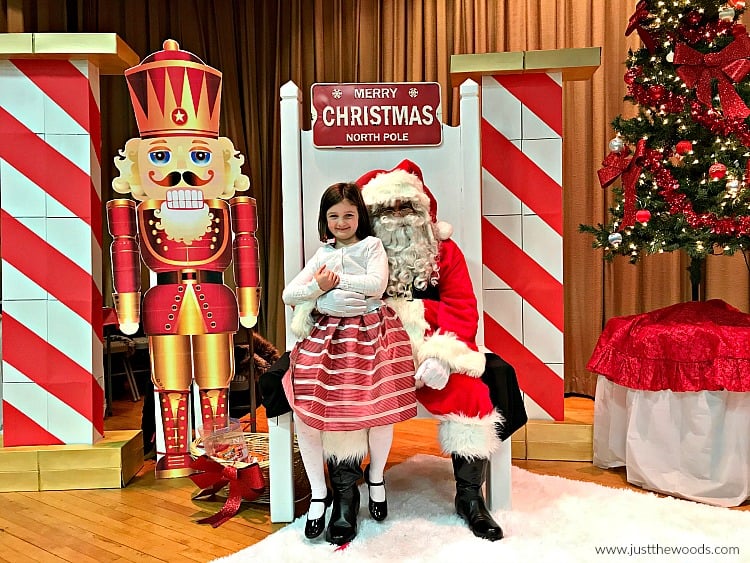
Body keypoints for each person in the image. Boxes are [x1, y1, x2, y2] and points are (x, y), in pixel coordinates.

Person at [107, 39, 261, 478]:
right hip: (163, 302)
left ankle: (219, 457)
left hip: (216, 298)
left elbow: (245, 247)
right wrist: (129, 307)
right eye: (160, 157)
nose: (181, 170)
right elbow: (127, 254)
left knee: (217, 383)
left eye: (199, 156)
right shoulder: (135, 211)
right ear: (138, 164)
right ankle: (175, 455)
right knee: (169, 386)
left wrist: (249, 300)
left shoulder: (231, 208)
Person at [354, 159, 505, 541]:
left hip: (432, 353)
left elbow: (462, 306)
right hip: (371, 350)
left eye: (406, 207)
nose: (398, 217)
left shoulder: (445, 252)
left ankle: (470, 498)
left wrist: (442, 355)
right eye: (387, 210)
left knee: (471, 395)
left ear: (423, 210)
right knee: (343, 392)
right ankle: (343, 493)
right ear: (371, 215)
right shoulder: (356, 253)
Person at [281, 182, 417, 545]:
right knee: (307, 410)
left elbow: (376, 284)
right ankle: (319, 494)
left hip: (371, 338)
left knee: (379, 408)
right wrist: (318, 295)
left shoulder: (371, 246)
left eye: (348, 215)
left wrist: (331, 285)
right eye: (334, 216)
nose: (342, 222)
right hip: (328, 341)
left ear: (360, 216)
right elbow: (289, 293)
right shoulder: (321, 253)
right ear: (325, 220)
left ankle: (375, 478)